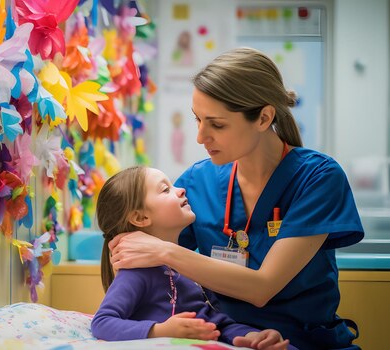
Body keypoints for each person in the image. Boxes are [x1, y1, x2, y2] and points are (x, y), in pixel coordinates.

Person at [108, 47, 364, 350]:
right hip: (226, 339)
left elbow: (262, 287)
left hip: (305, 341)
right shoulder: (196, 182)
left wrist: (163, 251)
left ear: (263, 117)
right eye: (198, 120)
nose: (201, 137)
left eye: (217, 124)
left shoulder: (318, 177)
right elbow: (141, 269)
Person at [91, 166, 293, 350]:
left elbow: (217, 323)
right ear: (141, 218)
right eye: (165, 189)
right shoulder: (136, 274)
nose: (181, 189)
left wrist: (252, 336)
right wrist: (160, 331)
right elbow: (102, 322)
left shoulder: (188, 270)